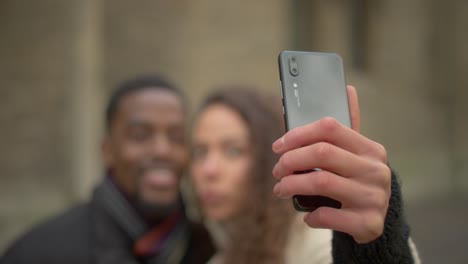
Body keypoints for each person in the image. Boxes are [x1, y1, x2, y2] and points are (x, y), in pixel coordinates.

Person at [190, 86, 420, 263]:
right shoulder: (219, 258)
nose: (209, 170)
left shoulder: (318, 241)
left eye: (233, 151)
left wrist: (373, 249)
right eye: (200, 152)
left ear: (270, 157)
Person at [1, 75, 215, 264]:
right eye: (140, 135)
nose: (162, 150)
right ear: (108, 151)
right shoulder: (39, 253)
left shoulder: (208, 249)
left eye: (177, 137)